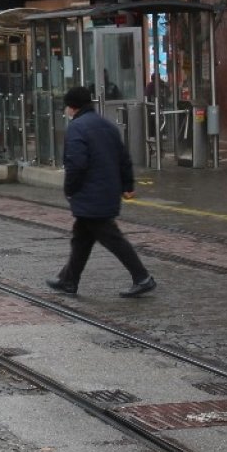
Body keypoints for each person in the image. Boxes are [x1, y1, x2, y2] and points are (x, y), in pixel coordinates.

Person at [46, 86, 157, 298]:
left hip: (90, 195)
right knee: (81, 238)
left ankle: (142, 277)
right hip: (106, 192)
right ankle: (68, 280)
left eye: (67, 106)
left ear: (72, 107)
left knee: (112, 238)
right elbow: (124, 159)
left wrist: (70, 189)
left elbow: (76, 163)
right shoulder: (107, 126)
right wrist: (128, 186)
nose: (67, 111)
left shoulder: (77, 128)